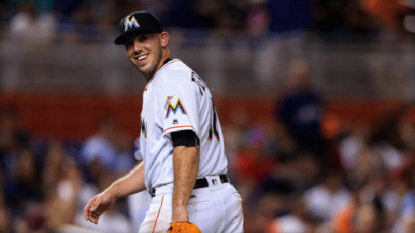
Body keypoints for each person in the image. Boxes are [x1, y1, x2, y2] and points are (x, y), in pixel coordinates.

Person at [83, 11, 244, 233]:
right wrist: (113, 191)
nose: (136, 48)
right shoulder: (178, 77)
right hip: (222, 199)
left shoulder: (171, 79)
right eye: (129, 44)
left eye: (143, 38)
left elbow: (186, 144)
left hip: (186, 200)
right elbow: (159, 162)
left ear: (163, 39)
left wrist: (178, 211)